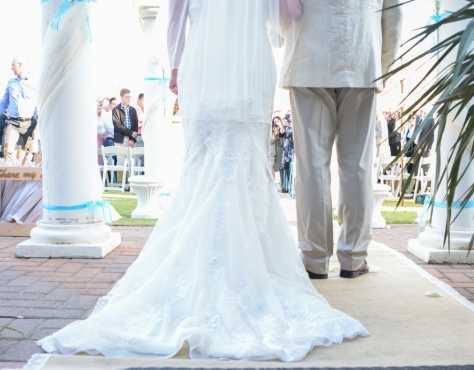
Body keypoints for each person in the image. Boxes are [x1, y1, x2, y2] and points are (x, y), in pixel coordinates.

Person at [37, 0, 367, 362]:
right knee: (245, 166)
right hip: (251, 65)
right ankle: (250, 266)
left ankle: (210, 259)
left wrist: (176, 62)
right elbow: (291, 14)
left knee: (204, 166)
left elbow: (177, 15)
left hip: (204, 63)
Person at [281, 0, 403, 279]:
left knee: (311, 166)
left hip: (307, 57)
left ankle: (314, 257)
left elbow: (282, 12)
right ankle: (353, 256)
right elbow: (394, 13)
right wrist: (382, 65)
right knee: (357, 165)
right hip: (360, 55)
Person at [0, 58, 38, 159]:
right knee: (6, 152)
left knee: (31, 155)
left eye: (13, 65)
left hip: (30, 126)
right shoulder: (11, 83)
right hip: (13, 124)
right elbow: (4, 102)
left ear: (21, 65)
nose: (11, 68)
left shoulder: (34, 81)